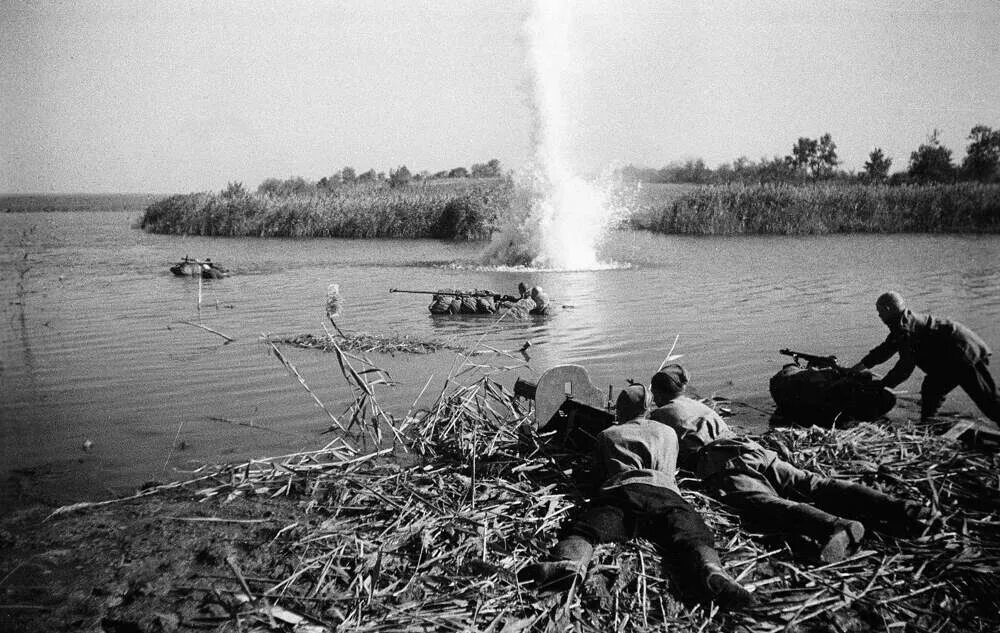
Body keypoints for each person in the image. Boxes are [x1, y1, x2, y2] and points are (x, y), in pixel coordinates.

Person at [648, 364, 932, 563]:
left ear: (659, 394)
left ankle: (834, 526)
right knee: (810, 482)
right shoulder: (699, 405)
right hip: (752, 449)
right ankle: (905, 509)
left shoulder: (660, 415)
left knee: (760, 502)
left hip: (721, 462)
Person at [519, 384, 754, 609]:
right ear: (648, 409)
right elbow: (671, 469)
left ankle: (568, 564)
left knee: (586, 529)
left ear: (621, 410)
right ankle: (711, 571)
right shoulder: (669, 432)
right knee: (692, 532)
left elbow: (597, 477)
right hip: (664, 494)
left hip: (622, 492)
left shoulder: (607, 434)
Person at [850, 291, 999, 423]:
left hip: (964, 353)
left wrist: (882, 385)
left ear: (888, 309)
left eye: (879, 311)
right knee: (931, 389)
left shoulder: (905, 328)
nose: (879, 315)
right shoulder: (901, 323)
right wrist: (857, 368)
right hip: (949, 358)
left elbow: (905, 368)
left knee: (988, 400)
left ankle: (928, 422)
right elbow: (885, 349)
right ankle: (928, 423)